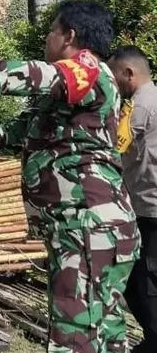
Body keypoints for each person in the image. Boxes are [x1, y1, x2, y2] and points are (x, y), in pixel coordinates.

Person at [0, 0, 139, 353]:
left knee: (76, 340)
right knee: (103, 337)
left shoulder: (88, 70)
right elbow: (3, 135)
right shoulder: (66, 95)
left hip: (90, 229)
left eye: (51, 30)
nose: (47, 38)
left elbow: (36, 74)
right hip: (85, 232)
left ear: (69, 36)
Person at [109, 45, 157, 353]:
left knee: (144, 282)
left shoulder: (140, 107)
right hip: (147, 206)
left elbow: (113, 146)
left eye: (115, 76)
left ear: (129, 73)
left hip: (149, 209)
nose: (112, 83)